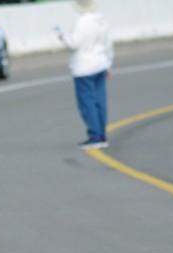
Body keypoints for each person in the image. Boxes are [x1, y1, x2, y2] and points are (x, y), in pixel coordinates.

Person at [56, 0, 114, 149]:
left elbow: (74, 44)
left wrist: (62, 35)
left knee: (87, 103)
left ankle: (95, 136)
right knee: (99, 101)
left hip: (84, 66)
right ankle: (101, 134)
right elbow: (108, 44)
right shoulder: (102, 20)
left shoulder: (82, 22)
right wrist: (108, 63)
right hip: (100, 62)